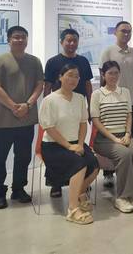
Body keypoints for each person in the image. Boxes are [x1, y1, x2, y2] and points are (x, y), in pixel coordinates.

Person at [0, 25, 44, 210]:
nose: (20, 40)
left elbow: (40, 85)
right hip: (3, 121)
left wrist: (28, 105)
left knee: (23, 158)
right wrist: (13, 106)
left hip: (26, 120)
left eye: (23, 37)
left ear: (27, 40)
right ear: (9, 40)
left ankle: (18, 189)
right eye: (16, 37)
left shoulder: (34, 61)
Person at [38, 64, 99, 225]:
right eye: (70, 75)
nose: (73, 79)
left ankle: (79, 193)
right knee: (79, 164)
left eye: (76, 76)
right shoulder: (50, 100)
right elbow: (49, 128)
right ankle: (72, 209)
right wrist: (69, 146)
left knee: (94, 164)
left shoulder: (79, 99)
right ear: (60, 77)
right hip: (53, 145)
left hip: (75, 143)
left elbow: (83, 123)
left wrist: (80, 144)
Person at [44, 28, 94, 197]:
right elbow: (47, 85)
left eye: (75, 40)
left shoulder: (83, 61)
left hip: (77, 105)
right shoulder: (53, 62)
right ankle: (55, 184)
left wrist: (90, 105)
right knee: (58, 145)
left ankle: (80, 181)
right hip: (60, 108)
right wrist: (46, 103)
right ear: (62, 42)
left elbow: (87, 84)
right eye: (68, 40)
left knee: (78, 143)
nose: (72, 43)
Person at [91, 61, 133, 213]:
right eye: (110, 73)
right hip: (104, 139)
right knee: (124, 153)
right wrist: (114, 139)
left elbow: (129, 115)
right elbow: (96, 121)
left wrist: (128, 134)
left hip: (124, 135)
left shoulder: (125, 92)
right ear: (103, 75)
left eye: (116, 73)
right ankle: (122, 197)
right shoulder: (97, 94)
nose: (113, 76)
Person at [99, 21, 133, 188]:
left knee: (128, 135)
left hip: (131, 100)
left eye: (129, 31)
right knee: (110, 137)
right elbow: (103, 76)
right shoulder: (108, 51)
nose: (126, 34)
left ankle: (131, 166)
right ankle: (108, 172)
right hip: (111, 102)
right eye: (123, 31)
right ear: (115, 32)